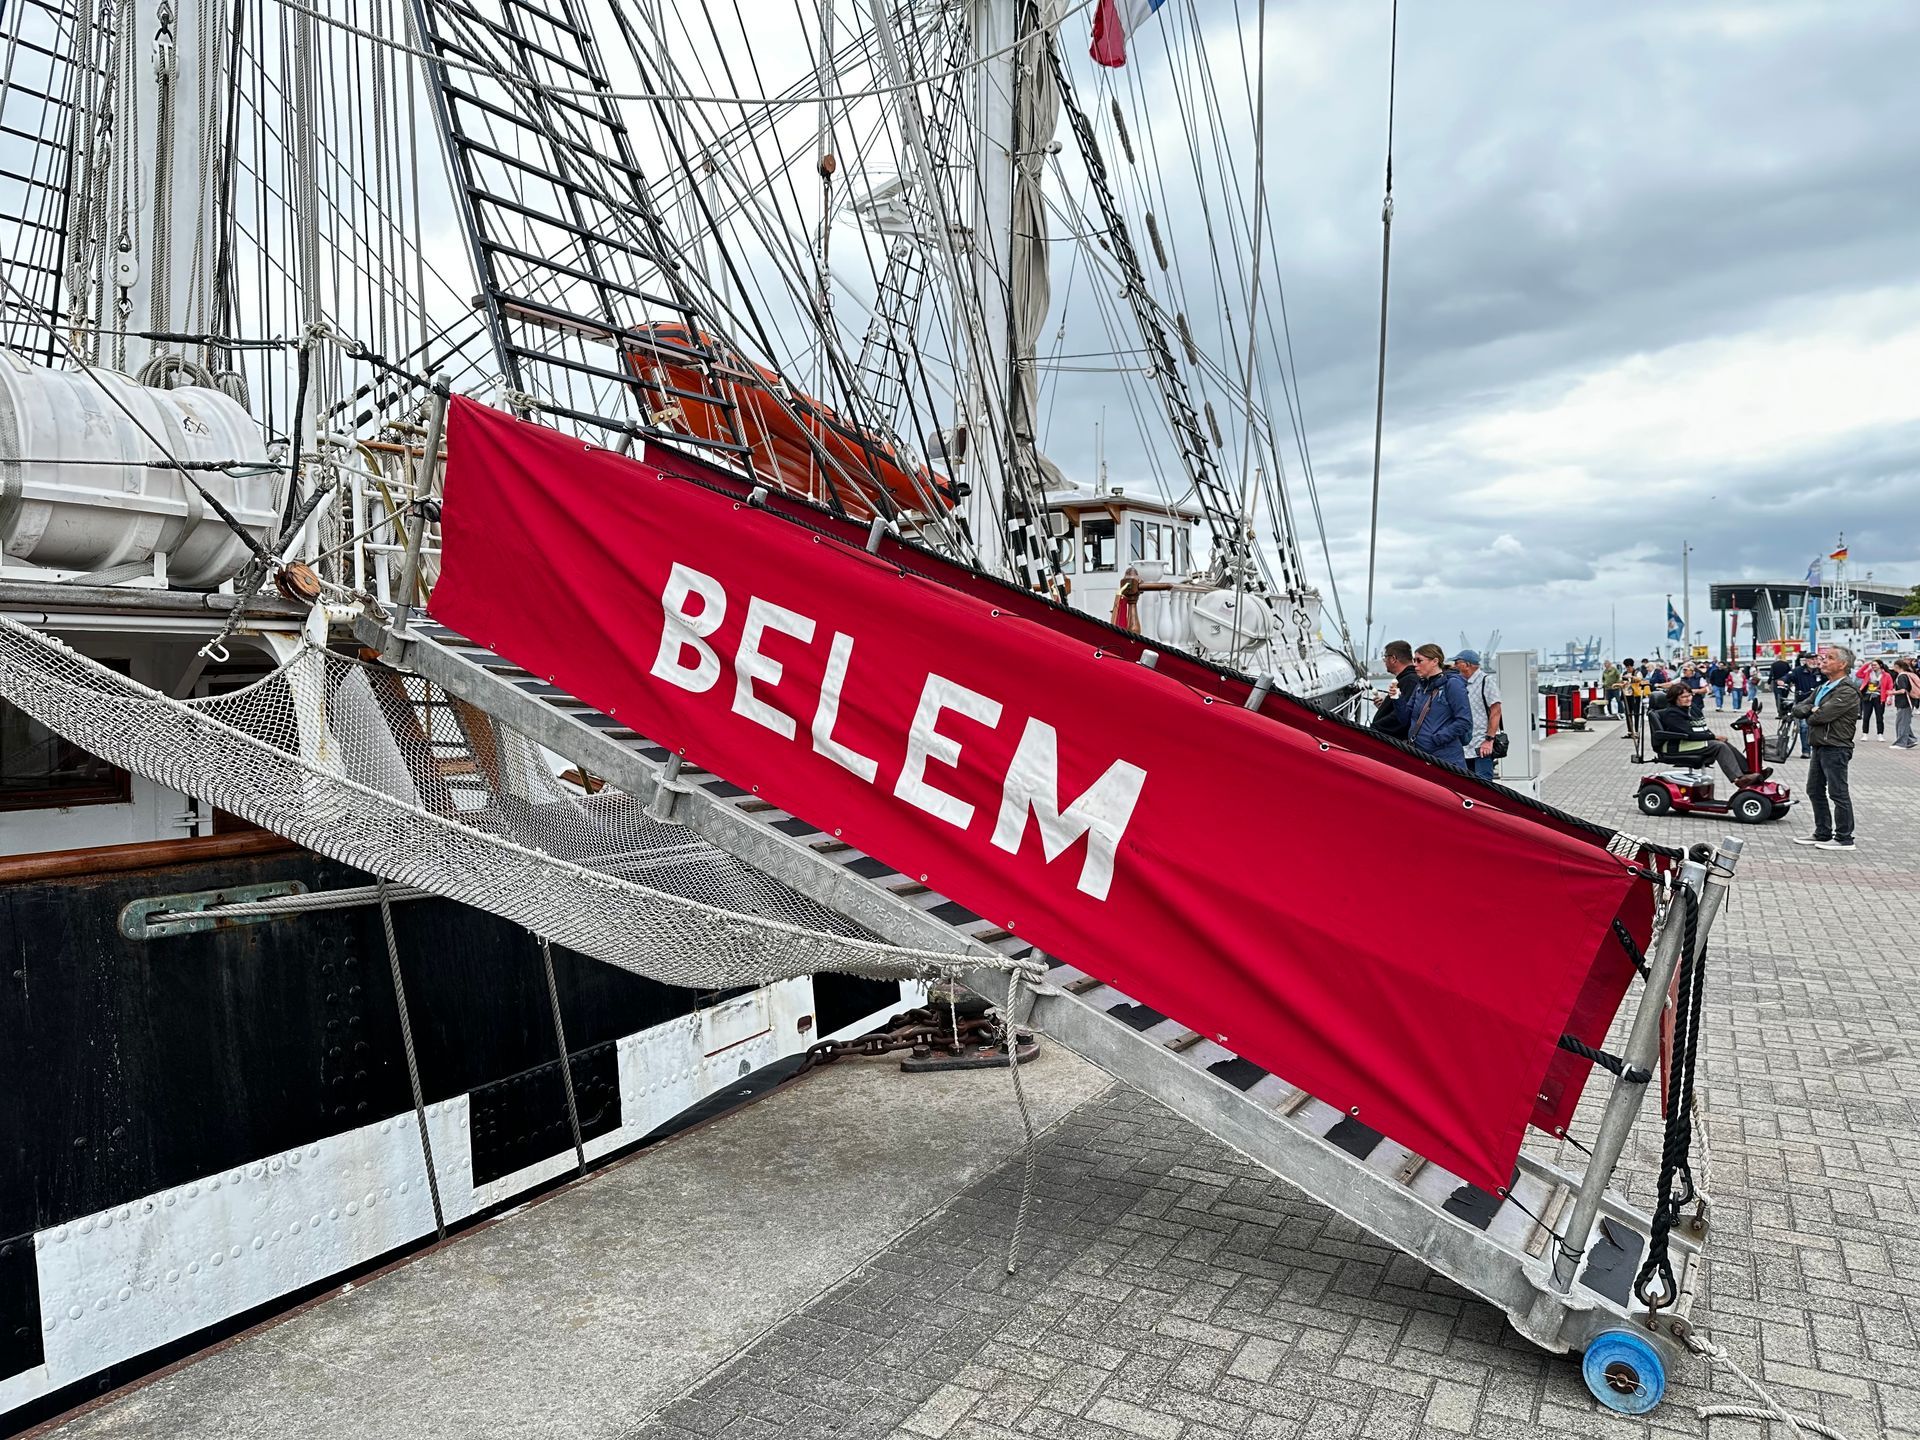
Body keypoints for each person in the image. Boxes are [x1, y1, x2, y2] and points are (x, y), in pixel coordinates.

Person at [1791, 644, 1861, 851]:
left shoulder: (1847, 690)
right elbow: (1798, 708)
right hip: (1819, 745)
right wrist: (1812, 709)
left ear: (1843, 664)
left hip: (1836, 746)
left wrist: (1812, 712)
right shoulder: (1823, 687)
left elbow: (1819, 717)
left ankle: (1844, 838)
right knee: (1814, 789)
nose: (1824, 661)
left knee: (1838, 792)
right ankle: (1822, 832)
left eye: (1829, 658)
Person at [1647, 683, 1771, 788]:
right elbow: (1688, 734)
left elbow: (1702, 728)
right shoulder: (1672, 713)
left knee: (1724, 743)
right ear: (1674, 699)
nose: (1688, 699)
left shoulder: (1692, 708)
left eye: (1689, 695)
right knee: (1718, 746)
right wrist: (1713, 737)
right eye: (1684, 697)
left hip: (1688, 742)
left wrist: (1712, 735)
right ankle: (1738, 779)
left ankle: (1750, 772)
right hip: (1675, 745)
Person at [1403, 643, 1473, 764]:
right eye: (1414, 660)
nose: (1415, 664)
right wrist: (1396, 698)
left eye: (1419, 660)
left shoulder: (1453, 684)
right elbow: (1405, 717)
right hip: (1421, 755)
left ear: (1435, 661)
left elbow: (1464, 721)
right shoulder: (1420, 686)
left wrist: (1437, 739)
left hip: (1446, 758)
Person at [1451, 649, 1503, 780]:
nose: (1454, 665)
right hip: (1464, 744)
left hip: (1481, 743)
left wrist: (1489, 740)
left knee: (1484, 783)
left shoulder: (1486, 681)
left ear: (1467, 665)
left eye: (1457, 662)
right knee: (1466, 783)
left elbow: (1496, 711)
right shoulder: (1458, 683)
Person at [1371, 640, 1418, 738]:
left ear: (1393, 658)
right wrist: (1385, 706)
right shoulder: (1407, 680)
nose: (1384, 662)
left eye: (1385, 658)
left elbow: (1402, 717)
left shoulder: (1410, 681)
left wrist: (1374, 729)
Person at [1788, 653, 1821, 757]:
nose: (1814, 661)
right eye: (1811, 659)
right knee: (1804, 726)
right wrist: (1782, 681)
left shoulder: (1821, 671)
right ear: (1806, 661)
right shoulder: (1798, 671)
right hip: (1803, 703)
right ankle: (1806, 751)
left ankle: (1818, 750)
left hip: (1819, 704)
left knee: (1819, 726)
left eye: (1815, 659)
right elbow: (1788, 677)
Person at [1857, 658, 1890, 740]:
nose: (1873, 666)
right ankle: (1865, 734)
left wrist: (1889, 697)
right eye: (1872, 665)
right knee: (1866, 716)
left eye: (1875, 665)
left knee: (1879, 716)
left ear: (1880, 665)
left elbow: (1890, 686)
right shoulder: (1868, 673)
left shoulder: (1886, 675)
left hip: (1879, 697)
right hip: (1868, 697)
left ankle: (1880, 734)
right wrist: (1866, 665)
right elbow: (1858, 674)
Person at [1891, 657, 1917, 750]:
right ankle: (1911, 739)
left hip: (1905, 702)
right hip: (1906, 702)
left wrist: (1891, 692)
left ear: (1897, 666)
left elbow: (1903, 690)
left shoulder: (1902, 676)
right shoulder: (1907, 674)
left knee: (1902, 722)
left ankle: (1901, 743)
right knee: (1904, 721)